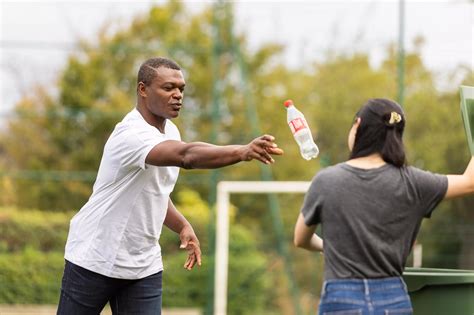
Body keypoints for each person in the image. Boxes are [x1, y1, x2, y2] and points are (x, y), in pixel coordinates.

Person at [57, 57, 283, 315]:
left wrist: (182, 225)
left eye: (181, 89)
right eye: (168, 88)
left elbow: (155, 192)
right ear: (143, 90)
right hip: (95, 257)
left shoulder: (170, 133)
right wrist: (242, 151)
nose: (178, 95)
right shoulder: (131, 134)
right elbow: (187, 156)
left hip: (143, 265)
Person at [293, 98, 474, 314]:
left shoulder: (326, 180)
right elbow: (469, 182)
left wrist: (328, 247)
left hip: (341, 299)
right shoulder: (414, 182)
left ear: (357, 125)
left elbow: (300, 238)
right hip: (393, 298)